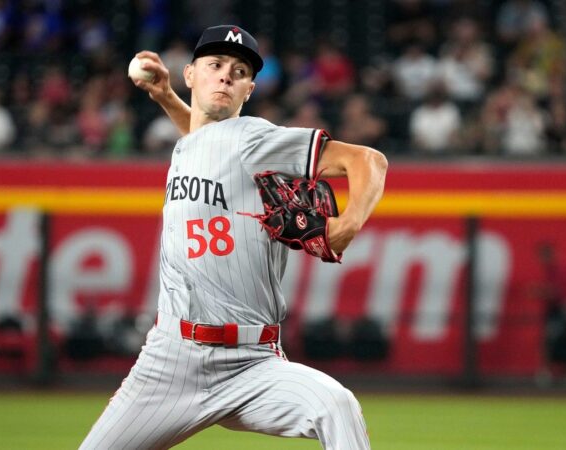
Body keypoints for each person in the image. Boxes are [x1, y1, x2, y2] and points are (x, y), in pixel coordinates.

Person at [80, 24, 387, 450]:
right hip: (171, 360)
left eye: (240, 71)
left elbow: (369, 161)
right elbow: (206, 141)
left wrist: (347, 226)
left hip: (252, 365)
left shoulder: (252, 138)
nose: (226, 75)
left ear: (249, 90)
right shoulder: (190, 144)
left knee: (335, 405)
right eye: (216, 64)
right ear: (191, 75)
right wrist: (165, 97)